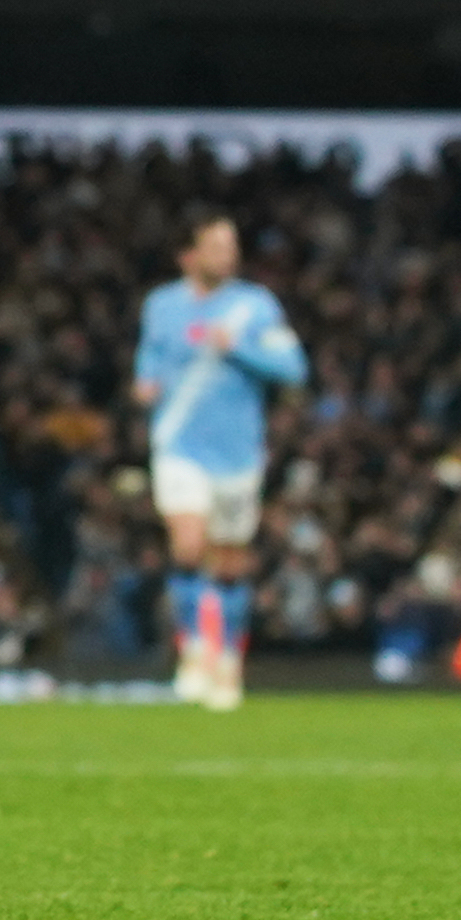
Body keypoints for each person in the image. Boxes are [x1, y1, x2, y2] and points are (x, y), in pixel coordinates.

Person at [131, 215, 307, 711]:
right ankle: (193, 649)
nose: (225, 256)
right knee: (188, 546)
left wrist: (242, 349)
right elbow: (150, 356)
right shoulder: (162, 305)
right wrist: (144, 382)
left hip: (237, 450)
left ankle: (228, 658)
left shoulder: (253, 307)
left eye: (230, 246)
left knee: (230, 561)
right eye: (214, 246)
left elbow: (293, 367)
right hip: (179, 444)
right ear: (189, 255)